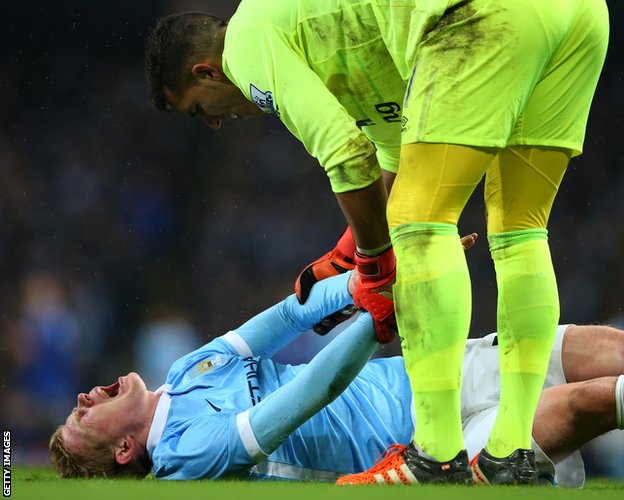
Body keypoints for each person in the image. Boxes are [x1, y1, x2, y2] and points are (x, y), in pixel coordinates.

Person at [143, 1, 611, 483]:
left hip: (483, 16)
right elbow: (394, 155)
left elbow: (346, 155)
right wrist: (352, 248)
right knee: (519, 231)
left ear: (207, 71)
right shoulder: (323, 33)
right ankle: (512, 455)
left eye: (199, 109)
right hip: (576, 17)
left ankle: (434, 456)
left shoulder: (244, 46)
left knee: (419, 222)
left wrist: (374, 262)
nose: (214, 123)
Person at [49, 271, 624, 487]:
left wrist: (370, 279)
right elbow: (307, 395)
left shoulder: (181, 373)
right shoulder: (186, 454)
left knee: (587, 349)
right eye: (83, 416)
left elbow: (287, 316)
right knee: (584, 404)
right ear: (125, 449)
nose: (83, 396)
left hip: (420, 374)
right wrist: (381, 315)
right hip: (425, 450)